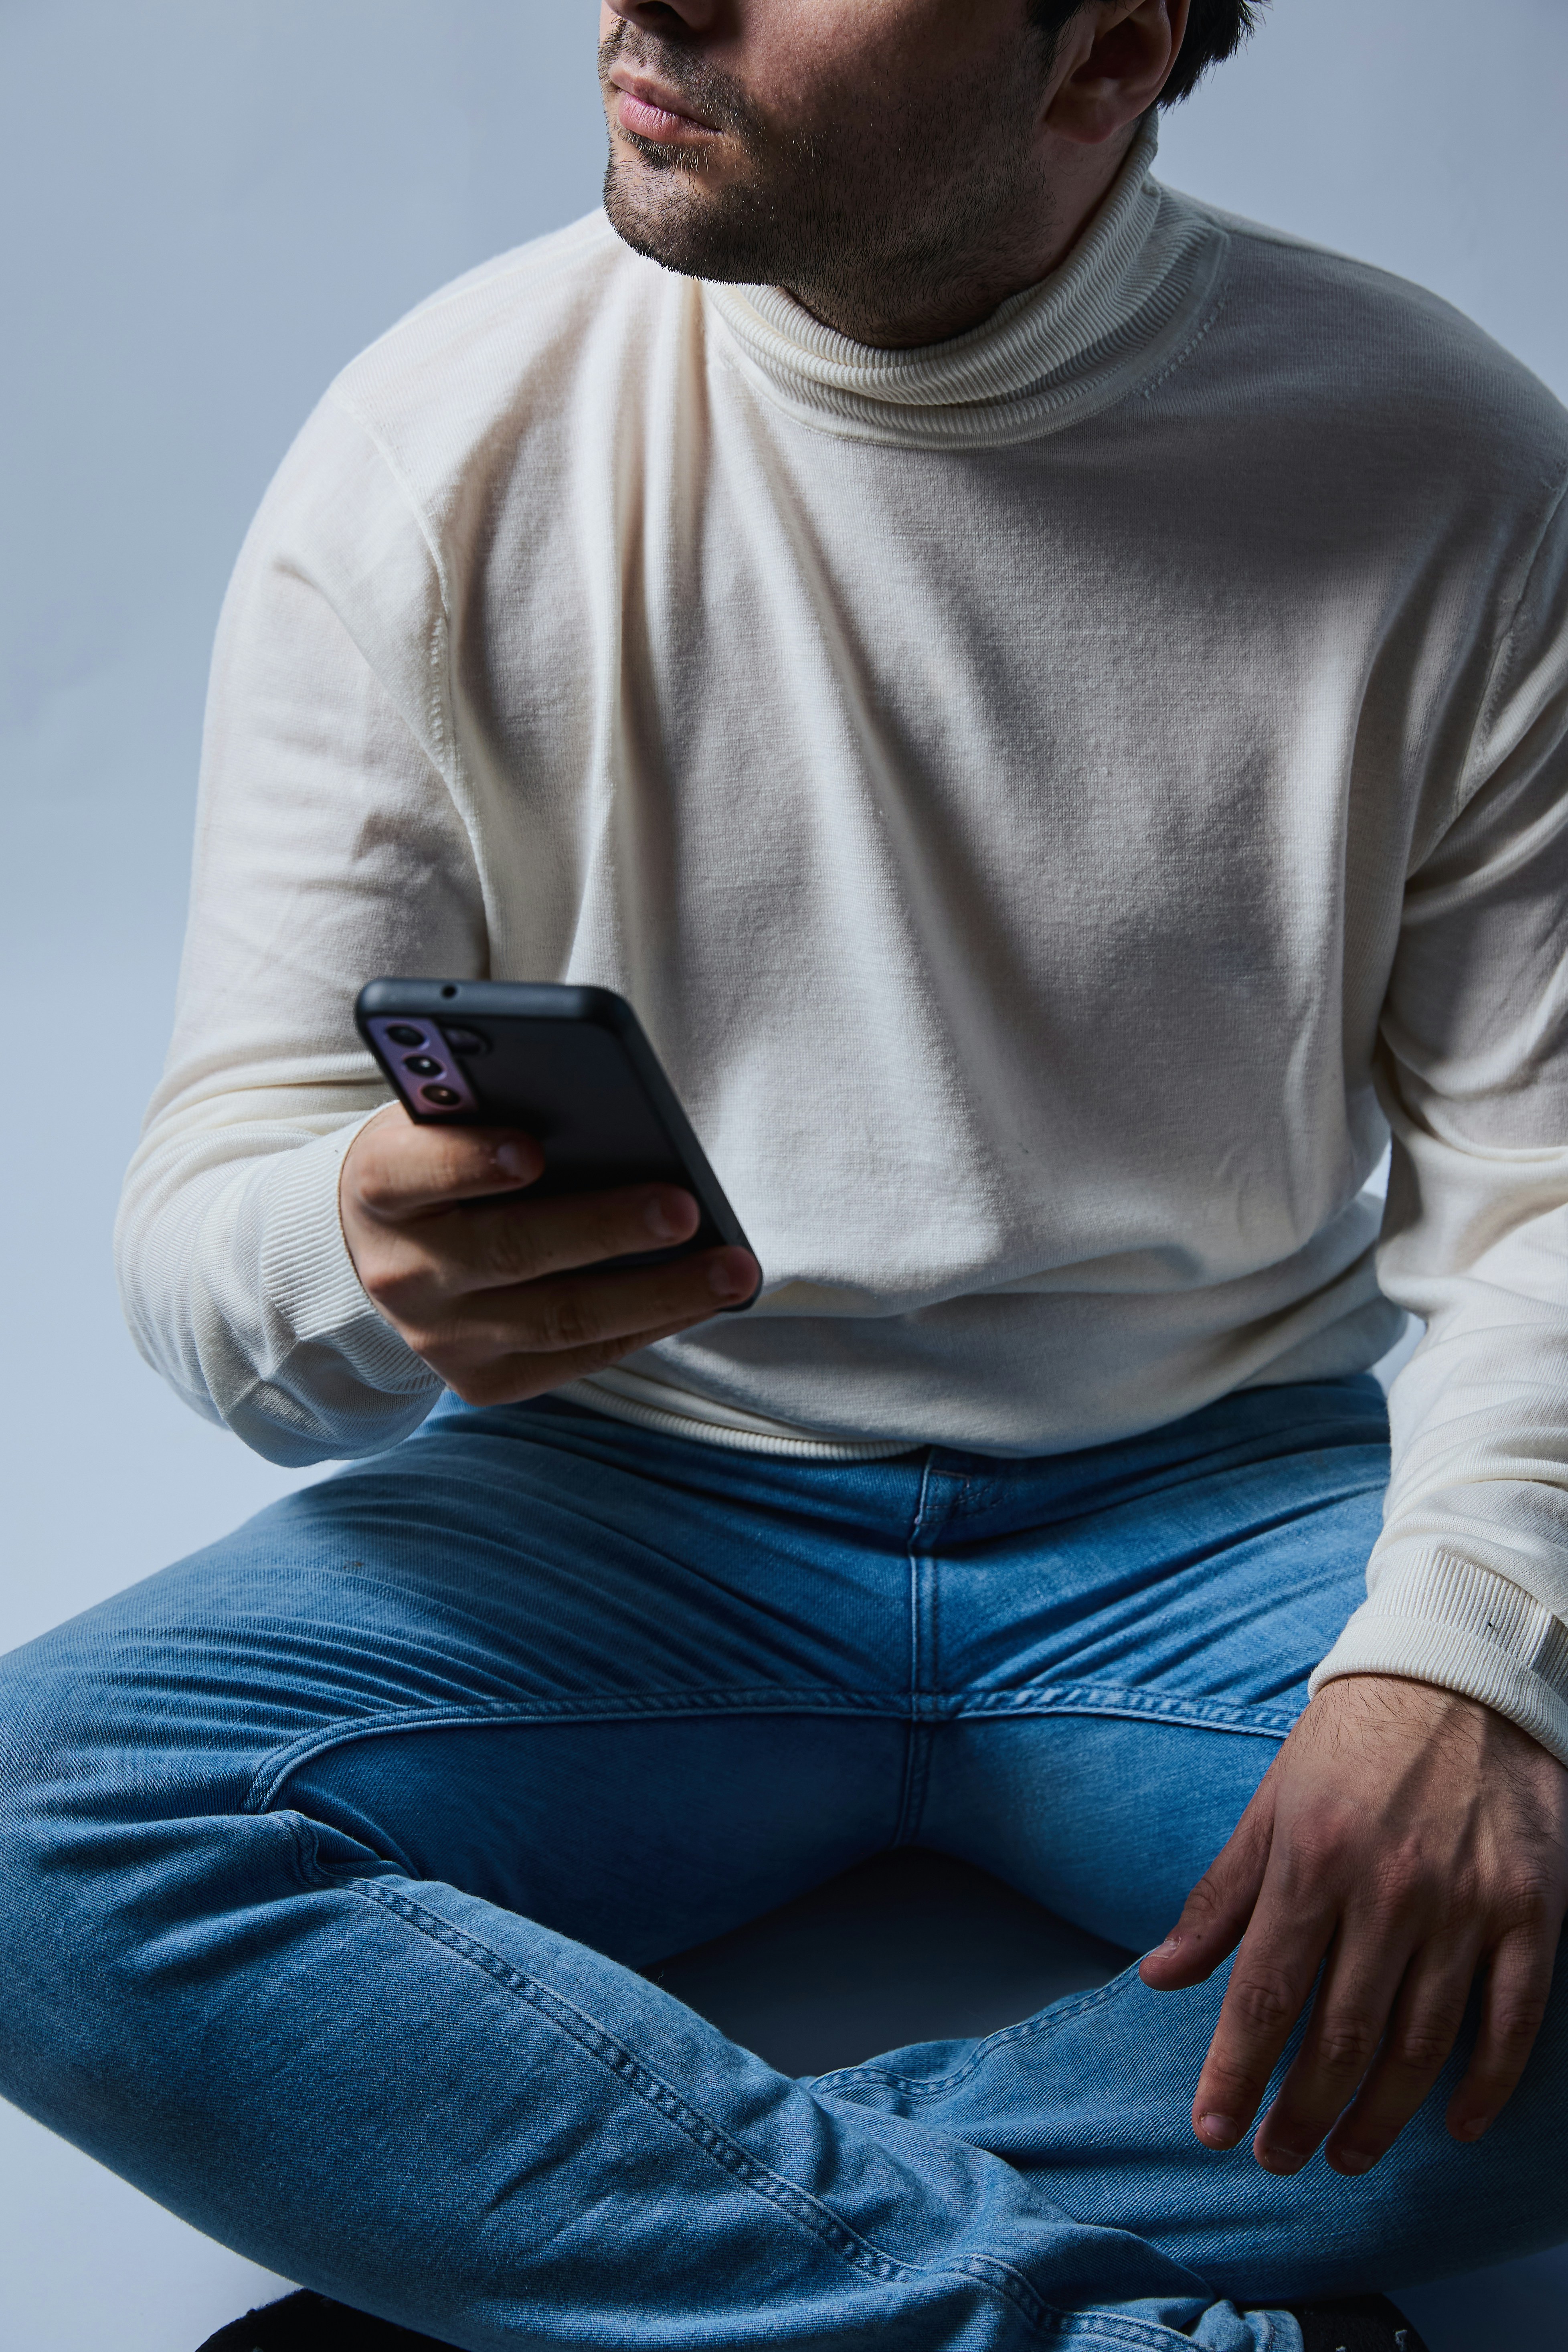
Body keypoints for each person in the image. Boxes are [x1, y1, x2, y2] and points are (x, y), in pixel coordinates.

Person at [3, 1, 1567, 2345]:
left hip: (1217, 1505)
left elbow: (1537, 1191)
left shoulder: (1440, 464)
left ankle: (545, 2254)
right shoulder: (437, 447)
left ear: (1099, 58)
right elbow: (204, 1207)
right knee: (37, 1829)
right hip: (622, 1503)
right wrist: (352, 1245)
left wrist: (1466, 1662)